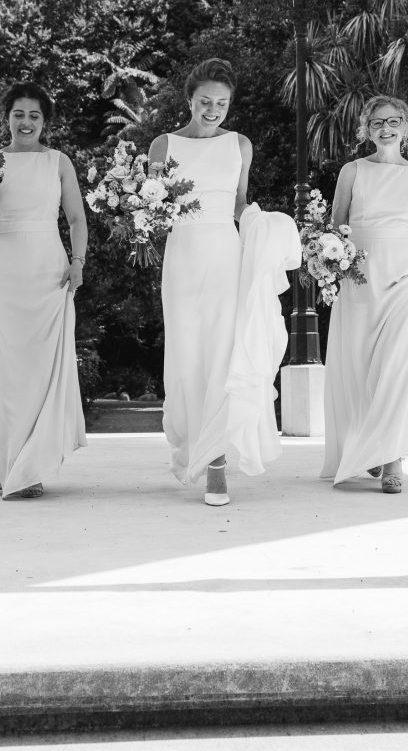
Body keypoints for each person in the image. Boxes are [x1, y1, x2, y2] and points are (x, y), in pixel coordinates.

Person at [0, 81, 88, 499]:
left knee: (40, 369)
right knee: (1, 368)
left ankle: (32, 466)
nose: (25, 122)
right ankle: (8, 465)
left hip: (48, 271)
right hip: (4, 265)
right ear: (7, 117)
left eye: (34, 115)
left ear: (45, 121)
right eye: (18, 113)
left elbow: (75, 218)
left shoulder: (59, 161)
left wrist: (77, 263)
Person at [321, 95, 408, 493]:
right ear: (366, 129)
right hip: (359, 279)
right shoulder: (352, 171)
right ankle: (369, 448)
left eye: (393, 121)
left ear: (406, 127)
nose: (385, 128)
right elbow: (335, 226)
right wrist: (327, 260)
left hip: (405, 279)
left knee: (395, 369)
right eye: (377, 122)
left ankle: (393, 459)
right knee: (359, 369)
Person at [148, 58, 253, 506]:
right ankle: (193, 446)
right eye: (206, 101)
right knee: (189, 355)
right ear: (189, 99)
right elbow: (150, 208)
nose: (213, 109)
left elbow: (240, 203)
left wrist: (272, 236)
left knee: (222, 355)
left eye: (222, 103)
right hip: (184, 256)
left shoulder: (240, 145)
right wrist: (138, 219)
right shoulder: (162, 144)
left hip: (226, 254)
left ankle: (217, 465)